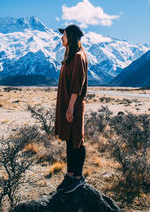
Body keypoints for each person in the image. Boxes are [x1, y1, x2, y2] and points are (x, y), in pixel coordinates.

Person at [54, 24, 88, 193]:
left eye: (64, 35)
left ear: (72, 37)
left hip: (73, 106)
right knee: (69, 139)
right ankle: (70, 174)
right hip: (69, 105)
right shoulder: (71, 56)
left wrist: (70, 108)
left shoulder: (78, 57)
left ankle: (78, 177)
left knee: (76, 140)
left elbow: (77, 85)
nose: (61, 38)